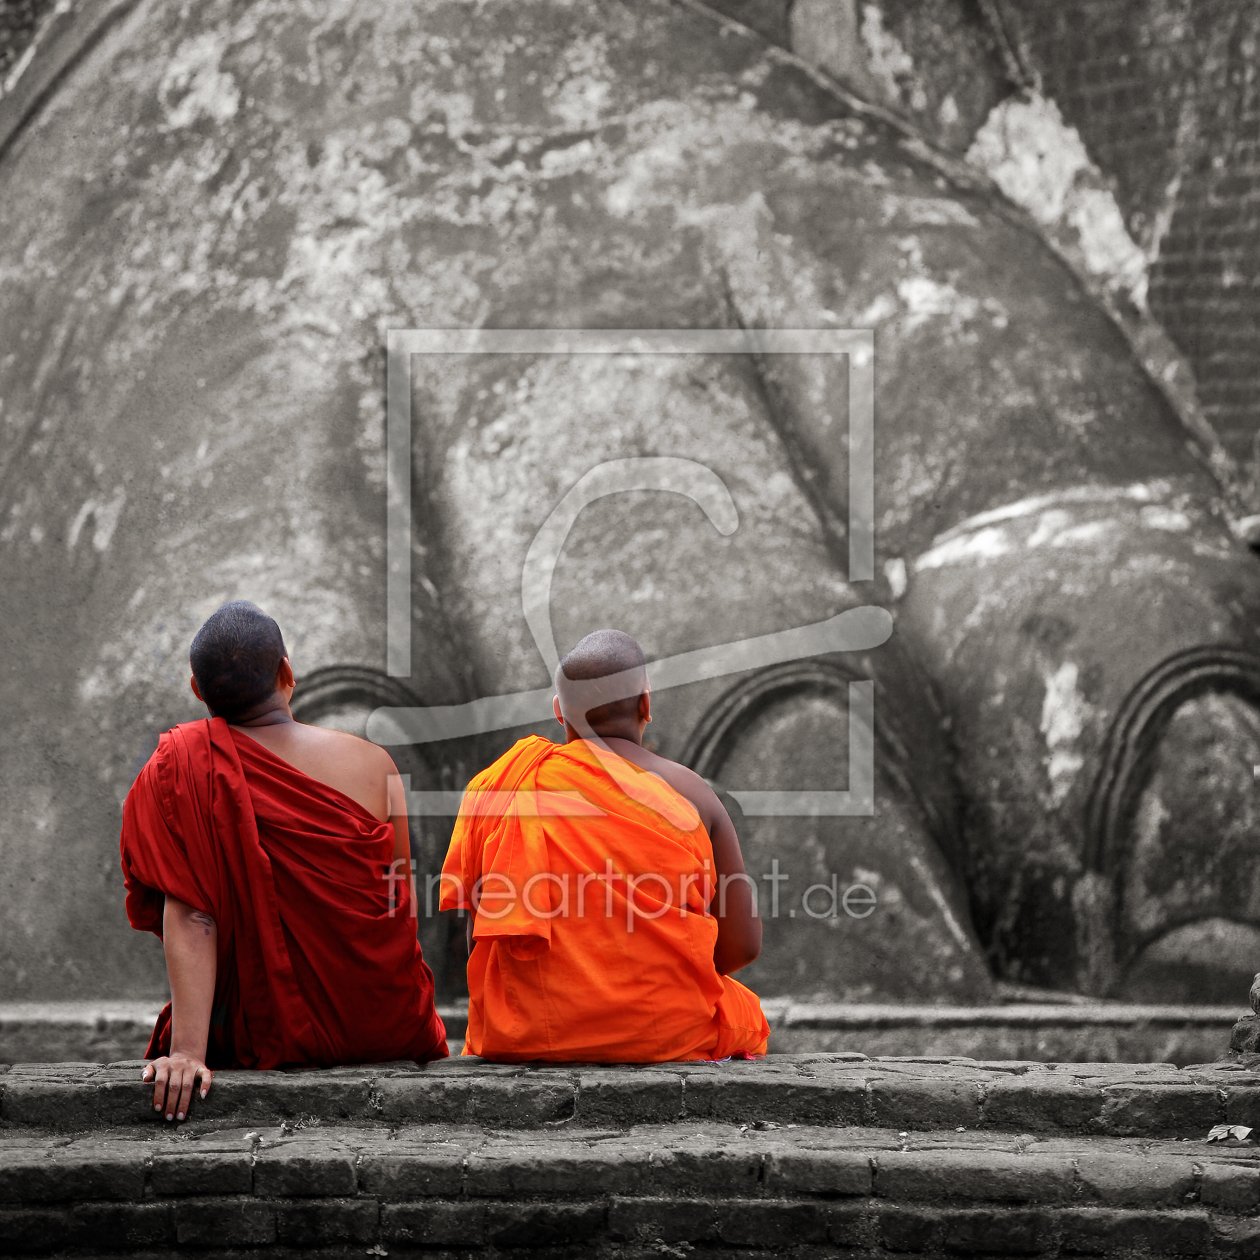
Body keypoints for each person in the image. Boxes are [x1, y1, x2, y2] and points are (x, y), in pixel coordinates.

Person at [120, 601, 446, 1123]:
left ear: (197, 690)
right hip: (383, 1024)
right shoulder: (373, 762)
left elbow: (191, 913)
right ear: (287, 672)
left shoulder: (179, 770)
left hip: (256, 1029)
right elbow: (398, 895)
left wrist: (187, 1052)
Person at [441, 628, 768, 1062]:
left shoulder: (502, 787)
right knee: (745, 1016)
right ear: (645, 705)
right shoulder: (693, 793)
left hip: (525, 1033)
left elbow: (479, 939)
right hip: (663, 1030)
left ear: (560, 712)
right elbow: (742, 946)